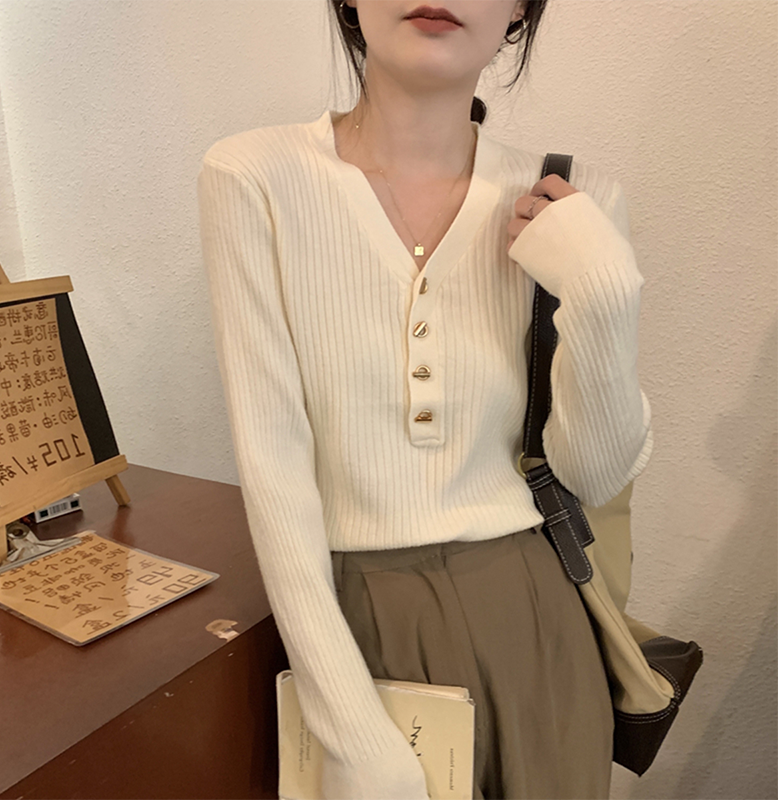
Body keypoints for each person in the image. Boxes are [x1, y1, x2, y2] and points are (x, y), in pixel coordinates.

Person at [197, 1, 652, 798]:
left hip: (538, 623)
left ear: (519, 9)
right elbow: (274, 470)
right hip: (350, 625)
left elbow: (595, 475)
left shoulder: (572, 198)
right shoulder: (255, 176)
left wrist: (606, 294)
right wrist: (351, 733)